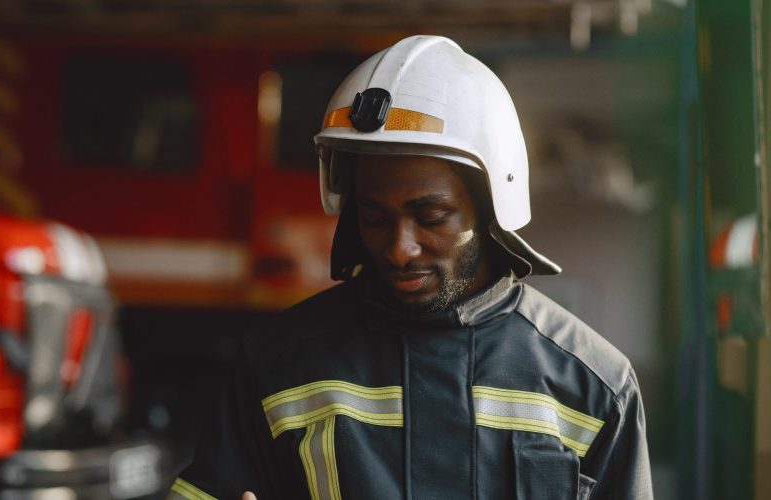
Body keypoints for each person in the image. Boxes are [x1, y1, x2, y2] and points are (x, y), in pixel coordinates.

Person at [168, 35, 652, 500]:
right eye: (374, 217)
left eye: (431, 217)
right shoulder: (275, 366)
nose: (399, 250)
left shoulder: (595, 386)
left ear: (490, 208)